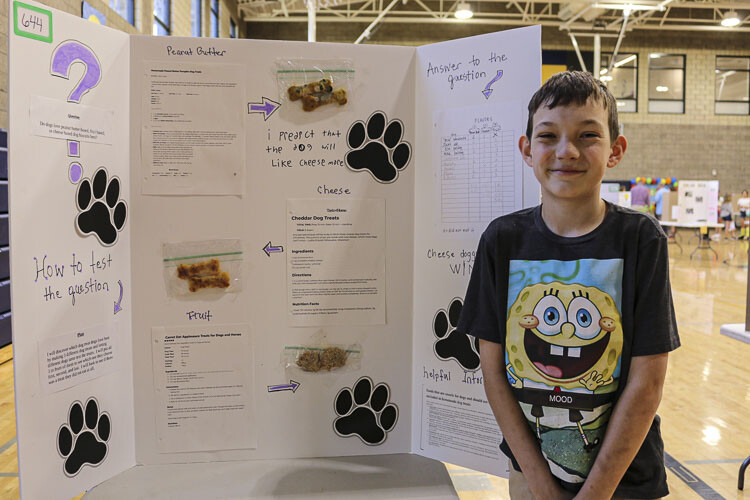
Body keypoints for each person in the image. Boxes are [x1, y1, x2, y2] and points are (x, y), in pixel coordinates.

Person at [458, 71, 680, 500]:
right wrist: (540, 484)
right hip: (531, 474)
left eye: (587, 135)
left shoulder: (641, 239)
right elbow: (492, 368)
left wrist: (595, 493)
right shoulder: (502, 240)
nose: (567, 151)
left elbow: (647, 382)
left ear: (616, 150)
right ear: (526, 149)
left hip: (626, 478)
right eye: (548, 136)